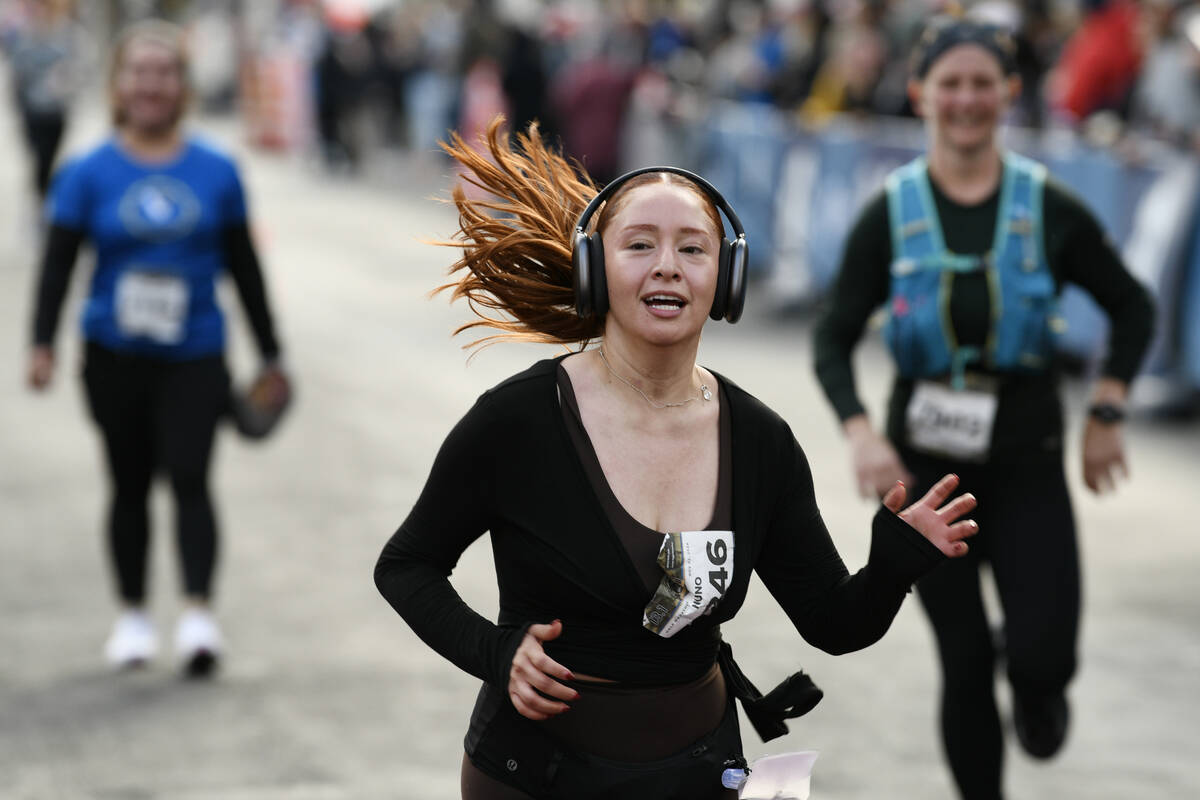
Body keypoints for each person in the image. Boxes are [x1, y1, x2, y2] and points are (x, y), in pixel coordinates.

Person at [374, 116, 980, 800]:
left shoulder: (759, 440)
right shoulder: (517, 421)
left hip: (697, 768)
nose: (668, 265)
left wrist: (893, 568)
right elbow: (406, 566)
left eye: (693, 249)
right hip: (534, 773)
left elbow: (834, 625)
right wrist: (495, 653)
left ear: (726, 279)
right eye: (639, 245)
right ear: (594, 269)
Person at [813, 18, 1155, 800]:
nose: (965, 100)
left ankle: (1036, 682)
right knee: (963, 658)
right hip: (928, 476)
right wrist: (861, 433)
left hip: (1028, 454)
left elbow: (1132, 307)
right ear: (919, 95)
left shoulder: (1048, 206)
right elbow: (832, 335)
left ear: (1008, 94)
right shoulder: (892, 211)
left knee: (1043, 656)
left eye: (981, 84)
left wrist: (1107, 412)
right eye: (949, 84)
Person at [27, 20, 288, 676]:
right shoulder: (86, 172)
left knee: (193, 476)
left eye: (164, 73)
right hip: (112, 352)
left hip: (196, 351)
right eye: (139, 73)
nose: (151, 85)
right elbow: (58, 265)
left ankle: (199, 615)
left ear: (182, 86)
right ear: (120, 85)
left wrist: (271, 352)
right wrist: (41, 343)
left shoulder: (216, 169)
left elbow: (242, 266)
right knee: (129, 484)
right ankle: (134, 616)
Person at [1, 0, 84, 201]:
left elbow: (79, 67)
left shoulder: (68, 34)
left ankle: (44, 194)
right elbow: (17, 71)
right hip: (32, 108)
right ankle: (42, 197)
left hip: (57, 109)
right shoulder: (23, 36)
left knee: (51, 155)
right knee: (40, 156)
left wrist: (67, 80)